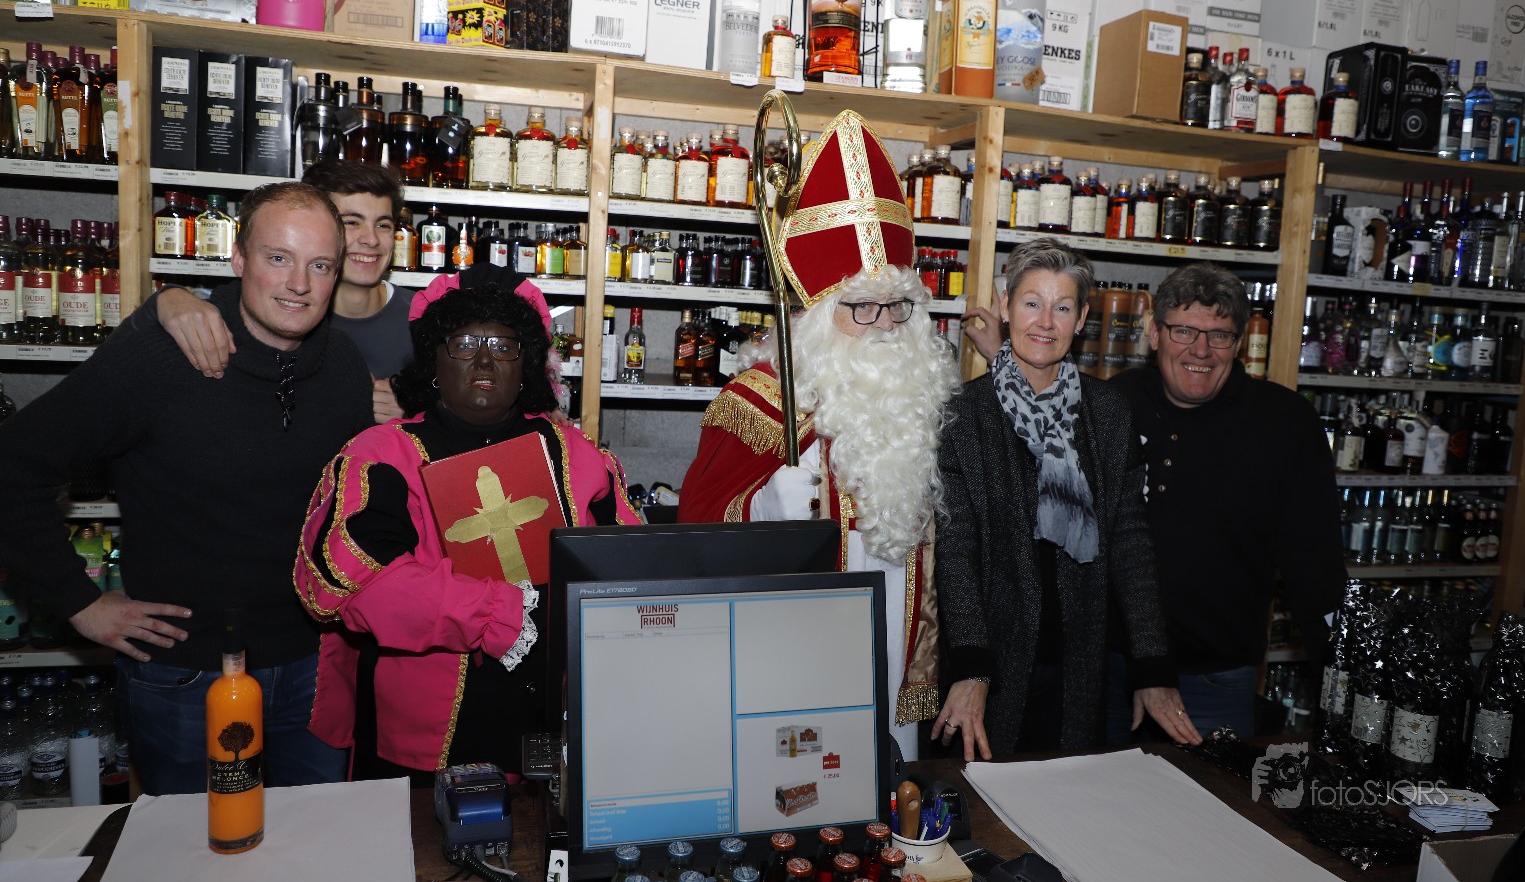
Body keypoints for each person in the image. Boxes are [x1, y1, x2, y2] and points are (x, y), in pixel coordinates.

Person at [0, 183, 373, 794]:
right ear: (238, 258)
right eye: (278, 257)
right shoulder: (161, 359)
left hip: (315, 667)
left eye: (320, 265)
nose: (298, 284)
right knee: (190, 848)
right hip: (184, 676)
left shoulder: (345, 367)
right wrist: (79, 602)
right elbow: (13, 465)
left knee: (317, 841)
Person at [677, 110, 962, 761]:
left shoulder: (924, 400)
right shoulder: (758, 405)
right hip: (787, 663)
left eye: (899, 305)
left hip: (893, 658)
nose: (885, 324)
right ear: (820, 312)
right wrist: (763, 507)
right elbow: (694, 532)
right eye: (862, 306)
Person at [295, 279, 639, 781]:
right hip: (421, 740)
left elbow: (630, 572)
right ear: (433, 362)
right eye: (464, 343)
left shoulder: (575, 454)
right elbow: (348, 584)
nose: (484, 360)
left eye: (502, 345)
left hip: (558, 727)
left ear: (526, 365)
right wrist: (496, 611)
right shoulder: (382, 454)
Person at [932, 239, 1197, 759]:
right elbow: (957, 548)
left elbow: (1130, 542)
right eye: (1031, 303)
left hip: (1078, 661)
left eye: (1062, 307)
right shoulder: (964, 414)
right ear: (1005, 308)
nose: (1044, 322)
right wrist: (971, 666)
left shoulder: (1108, 413)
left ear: (1082, 320)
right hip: (990, 661)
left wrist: (1151, 666)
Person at [1106, 263, 1346, 738]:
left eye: (1219, 335)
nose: (1201, 350)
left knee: (1212, 790)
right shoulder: (1115, 403)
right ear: (1154, 333)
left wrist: (1342, 686)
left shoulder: (1284, 423)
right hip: (1111, 670)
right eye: (1183, 331)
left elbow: (1314, 563)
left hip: (1215, 679)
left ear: (1238, 344)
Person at [157, 162, 549, 424]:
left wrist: (420, 412)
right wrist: (166, 299)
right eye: (351, 222)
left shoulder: (428, 318)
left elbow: (492, 411)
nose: (371, 240)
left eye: (383, 225)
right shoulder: (283, 313)